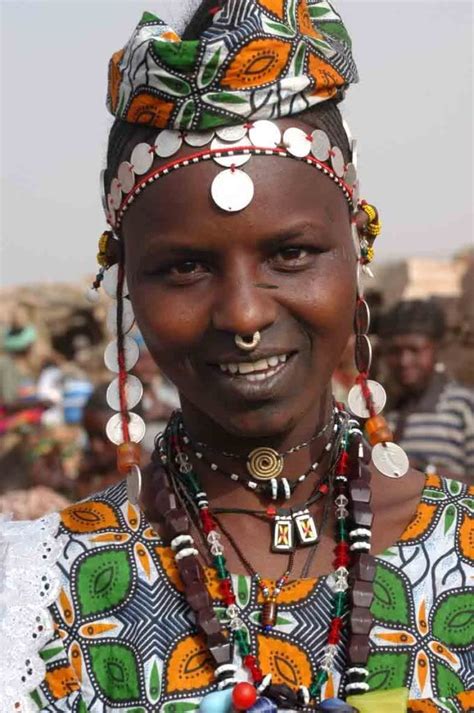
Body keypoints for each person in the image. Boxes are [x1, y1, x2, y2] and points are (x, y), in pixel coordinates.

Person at [1, 2, 472, 712]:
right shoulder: (39, 596)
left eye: (291, 253)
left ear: (358, 252)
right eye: (185, 268)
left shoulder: (462, 554)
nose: (245, 314)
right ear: (127, 286)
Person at [381, 299, 474, 481]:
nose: (404, 361)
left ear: (436, 349)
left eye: (414, 350)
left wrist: (425, 472)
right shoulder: (385, 410)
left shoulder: (463, 405)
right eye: (395, 351)